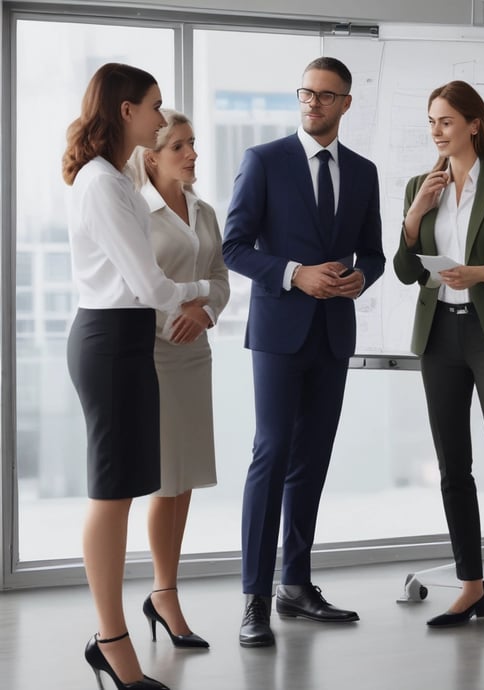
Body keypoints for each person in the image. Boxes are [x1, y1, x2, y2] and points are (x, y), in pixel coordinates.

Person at [223, 56, 385, 648]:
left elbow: (375, 251)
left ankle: (296, 584)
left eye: (325, 95)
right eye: (306, 93)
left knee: (312, 460)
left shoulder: (364, 172)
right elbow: (233, 246)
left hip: (333, 334)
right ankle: (255, 600)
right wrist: (294, 273)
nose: (312, 103)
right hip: (278, 333)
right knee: (271, 455)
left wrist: (358, 276)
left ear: (345, 102)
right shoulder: (264, 161)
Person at [63, 64, 211, 689]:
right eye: (154, 106)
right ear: (127, 112)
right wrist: (207, 291)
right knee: (110, 496)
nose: (160, 115)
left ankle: (113, 637)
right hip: (110, 342)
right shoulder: (103, 183)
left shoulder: (114, 181)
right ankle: (112, 639)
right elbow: (150, 286)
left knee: (120, 492)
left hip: (121, 342)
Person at [392, 80, 484, 645]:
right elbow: (408, 273)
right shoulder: (419, 185)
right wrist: (414, 216)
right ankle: (472, 585)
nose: (437, 130)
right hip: (440, 338)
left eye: (447, 120)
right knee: (454, 469)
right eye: (432, 121)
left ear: (474, 124)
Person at [128, 109, 230, 649]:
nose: (192, 155)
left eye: (193, 145)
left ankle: (166, 589)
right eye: (180, 147)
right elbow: (137, 282)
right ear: (152, 156)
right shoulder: (137, 212)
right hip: (154, 353)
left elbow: (219, 278)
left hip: (197, 352)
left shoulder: (204, 211)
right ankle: (163, 593)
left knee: (185, 476)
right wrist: (179, 313)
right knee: (164, 479)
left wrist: (204, 313)